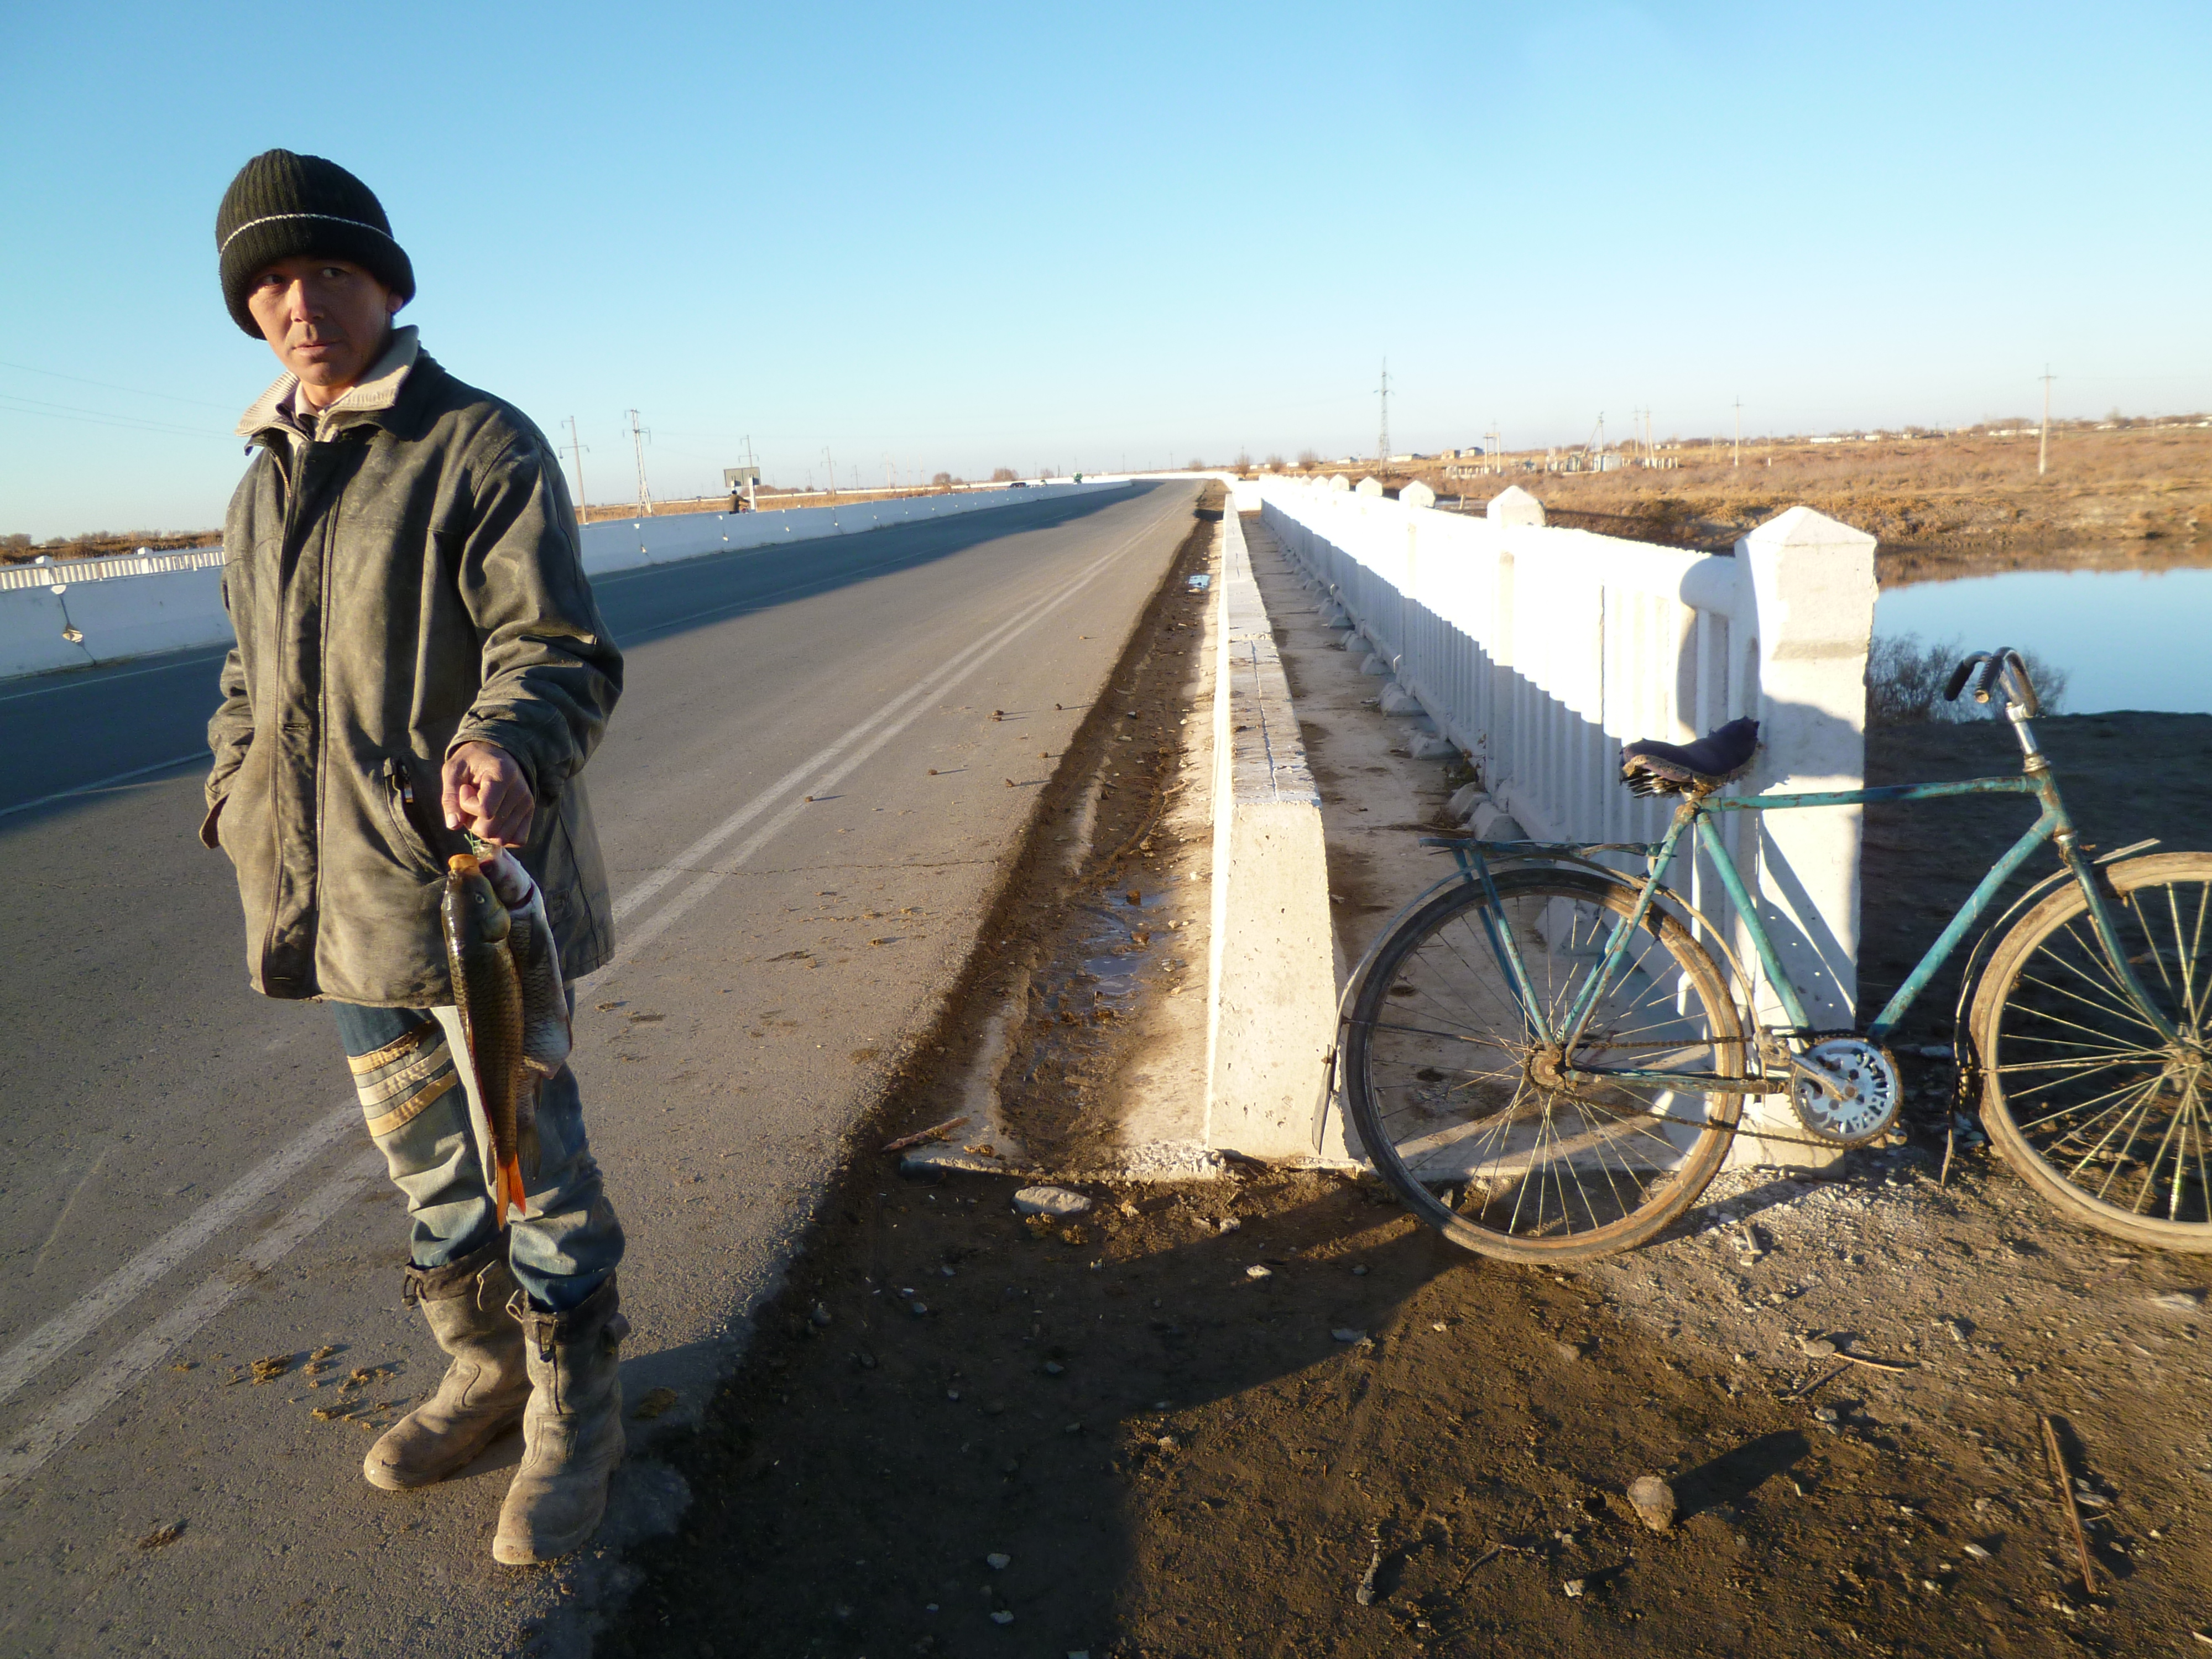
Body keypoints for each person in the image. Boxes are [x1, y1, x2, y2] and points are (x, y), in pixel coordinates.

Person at [201, 149, 629, 1566]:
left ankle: (578, 1408)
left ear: (384, 283)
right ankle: (484, 1370)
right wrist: (234, 794)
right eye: (270, 280)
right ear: (248, 308)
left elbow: (553, 648)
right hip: (335, 911)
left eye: (328, 269)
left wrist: (504, 747)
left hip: (473, 908)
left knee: (534, 1167)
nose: (300, 301)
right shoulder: (261, 477)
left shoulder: (480, 445)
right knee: (428, 1171)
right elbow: (249, 680)